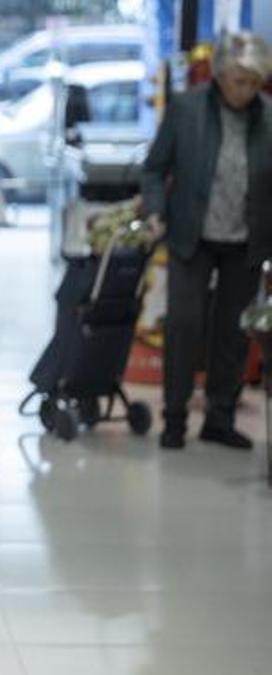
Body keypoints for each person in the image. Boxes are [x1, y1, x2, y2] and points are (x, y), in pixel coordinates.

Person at [141, 32, 272, 450]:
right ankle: (175, 417)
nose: (246, 90)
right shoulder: (186, 108)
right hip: (189, 237)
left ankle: (220, 417)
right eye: (239, 81)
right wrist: (157, 210)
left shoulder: (269, 117)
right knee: (183, 325)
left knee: (233, 332)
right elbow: (153, 169)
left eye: (254, 82)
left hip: (245, 241)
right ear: (219, 75)